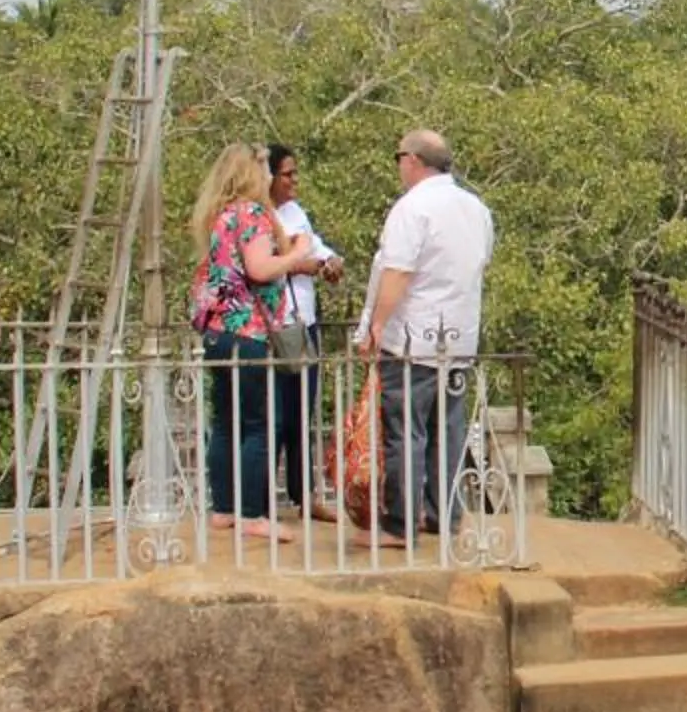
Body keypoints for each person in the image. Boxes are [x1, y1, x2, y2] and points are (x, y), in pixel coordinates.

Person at [355, 128, 496, 539]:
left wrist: (376, 324)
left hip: (413, 337)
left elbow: (397, 272)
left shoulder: (412, 208)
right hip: (458, 337)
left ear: (413, 160)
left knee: (405, 430)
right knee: (447, 430)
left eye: (399, 157)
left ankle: (401, 522)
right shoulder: (476, 209)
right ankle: (443, 514)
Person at [187, 142, 325, 536]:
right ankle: (252, 513)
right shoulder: (251, 214)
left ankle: (224, 507)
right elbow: (260, 268)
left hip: (218, 331)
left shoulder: (222, 215)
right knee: (262, 422)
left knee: (226, 421)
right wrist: (297, 254)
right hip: (248, 330)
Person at [264, 142, 345, 514]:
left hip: (302, 323)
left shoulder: (295, 213)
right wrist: (300, 265)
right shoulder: (256, 216)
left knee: (301, 411)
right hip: (270, 325)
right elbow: (258, 263)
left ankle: (304, 494)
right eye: (287, 174)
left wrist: (329, 262)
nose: (294, 180)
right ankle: (259, 498)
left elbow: (316, 249)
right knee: (272, 415)